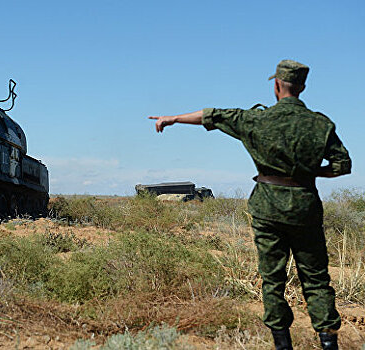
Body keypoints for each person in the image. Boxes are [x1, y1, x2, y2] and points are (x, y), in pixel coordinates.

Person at [148, 59, 351, 350]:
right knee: (317, 280)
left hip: (267, 209)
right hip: (305, 208)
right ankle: (329, 343)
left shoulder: (255, 120)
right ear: (303, 87)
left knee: (272, 280)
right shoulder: (320, 124)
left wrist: (173, 118)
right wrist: (306, 172)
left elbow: (212, 115)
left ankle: (282, 344)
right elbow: (343, 165)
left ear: (277, 86)